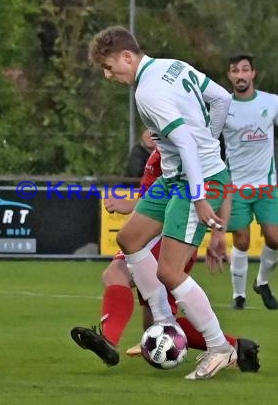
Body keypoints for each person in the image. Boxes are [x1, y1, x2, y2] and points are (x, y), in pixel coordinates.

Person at [79, 26, 240, 380]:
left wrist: (199, 194)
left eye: (109, 67)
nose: (109, 76)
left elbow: (183, 141)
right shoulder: (174, 66)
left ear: (126, 56)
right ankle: (164, 320)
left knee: (169, 271)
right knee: (130, 239)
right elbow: (223, 100)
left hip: (193, 182)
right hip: (173, 179)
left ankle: (220, 348)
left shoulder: (148, 91)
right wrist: (209, 138)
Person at [71, 148, 260, 373]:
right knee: (157, 325)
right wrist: (134, 204)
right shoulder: (159, 153)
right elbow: (154, 197)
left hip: (170, 236)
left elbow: (222, 184)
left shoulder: (182, 143)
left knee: (116, 274)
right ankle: (237, 347)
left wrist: (219, 232)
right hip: (157, 233)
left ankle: (109, 340)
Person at [222, 54, 278, 310]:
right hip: (236, 186)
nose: (240, 75)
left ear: (253, 73)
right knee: (241, 240)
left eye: (245, 70)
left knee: (275, 239)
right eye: (235, 71)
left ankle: (262, 282)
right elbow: (209, 140)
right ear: (229, 76)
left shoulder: (272, 102)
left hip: (266, 185)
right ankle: (238, 296)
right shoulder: (222, 107)